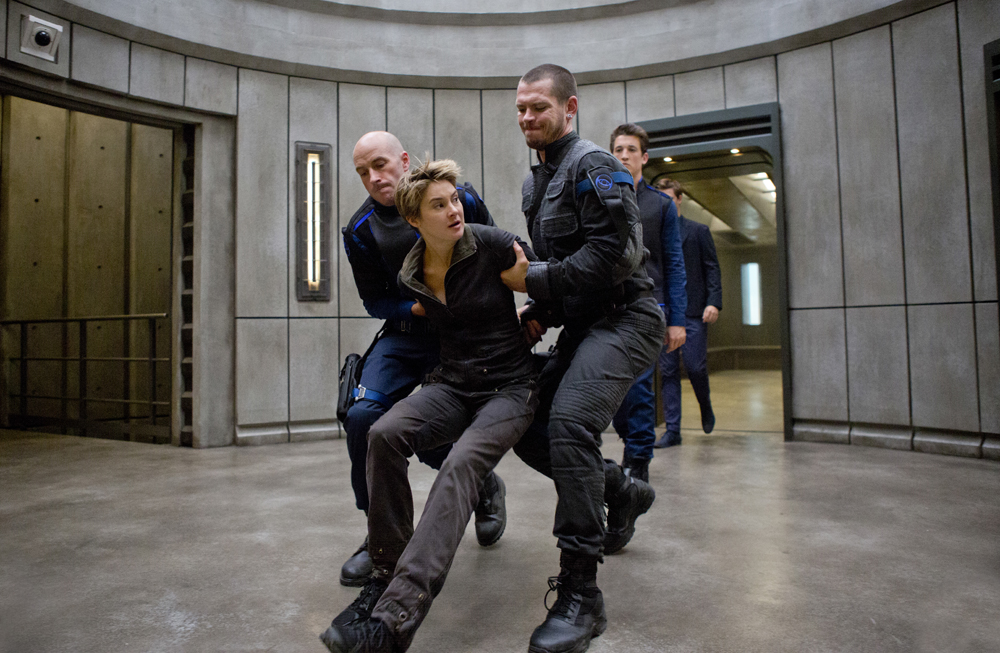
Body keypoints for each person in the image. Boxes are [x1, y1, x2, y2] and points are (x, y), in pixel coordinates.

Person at [320, 159, 540, 653]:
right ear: (414, 220)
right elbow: (383, 304)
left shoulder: (492, 243)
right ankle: (383, 575)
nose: (454, 210)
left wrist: (537, 310)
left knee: (460, 463)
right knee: (382, 432)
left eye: (455, 199)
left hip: (509, 387)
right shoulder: (411, 271)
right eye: (439, 205)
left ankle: (396, 616)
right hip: (453, 383)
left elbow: (549, 280)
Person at [504, 64, 666, 653]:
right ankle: (620, 491)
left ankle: (581, 592)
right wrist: (542, 310)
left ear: (569, 109)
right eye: (521, 108)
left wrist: (536, 281)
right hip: (584, 322)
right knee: (527, 427)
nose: (527, 117)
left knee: (570, 422)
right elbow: (566, 273)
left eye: (539, 107)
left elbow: (616, 258)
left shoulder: (594, 165)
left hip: (628, 318)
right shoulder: (535, 185)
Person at [339, 132, 506, 587]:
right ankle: (379, 534)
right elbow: (375, 301)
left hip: (460, 337)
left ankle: (484, 487)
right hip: (406, 334)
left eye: (380, 165)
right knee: (362, 417)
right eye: (362, 172)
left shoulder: (457, 198)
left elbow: (496, 255)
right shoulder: (360, 229)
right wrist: (414, 308)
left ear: (404, 160)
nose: (374, 178)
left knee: (430, 431)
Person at [608, 123, 687, 482]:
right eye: (618, 150)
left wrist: (677, 319)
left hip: (648, 309)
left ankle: (638, 460)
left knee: (639, 386)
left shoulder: (661, 204)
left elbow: (674, 263)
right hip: (609, 308)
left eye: (631, 150)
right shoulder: (602, 198)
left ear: (644, 157)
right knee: (616, 389)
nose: (624, 155)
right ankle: (631, 441)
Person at [652, 178, 721, 448]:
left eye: (670, 199)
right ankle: (673, 431)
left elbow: (711, 268)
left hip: (693, 311)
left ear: (679, 199)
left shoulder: (698, 231)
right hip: (664, 311)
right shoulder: (653, 234)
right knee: (668, 371)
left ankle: (705, 405)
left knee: (695, 366)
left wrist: (713, 302)